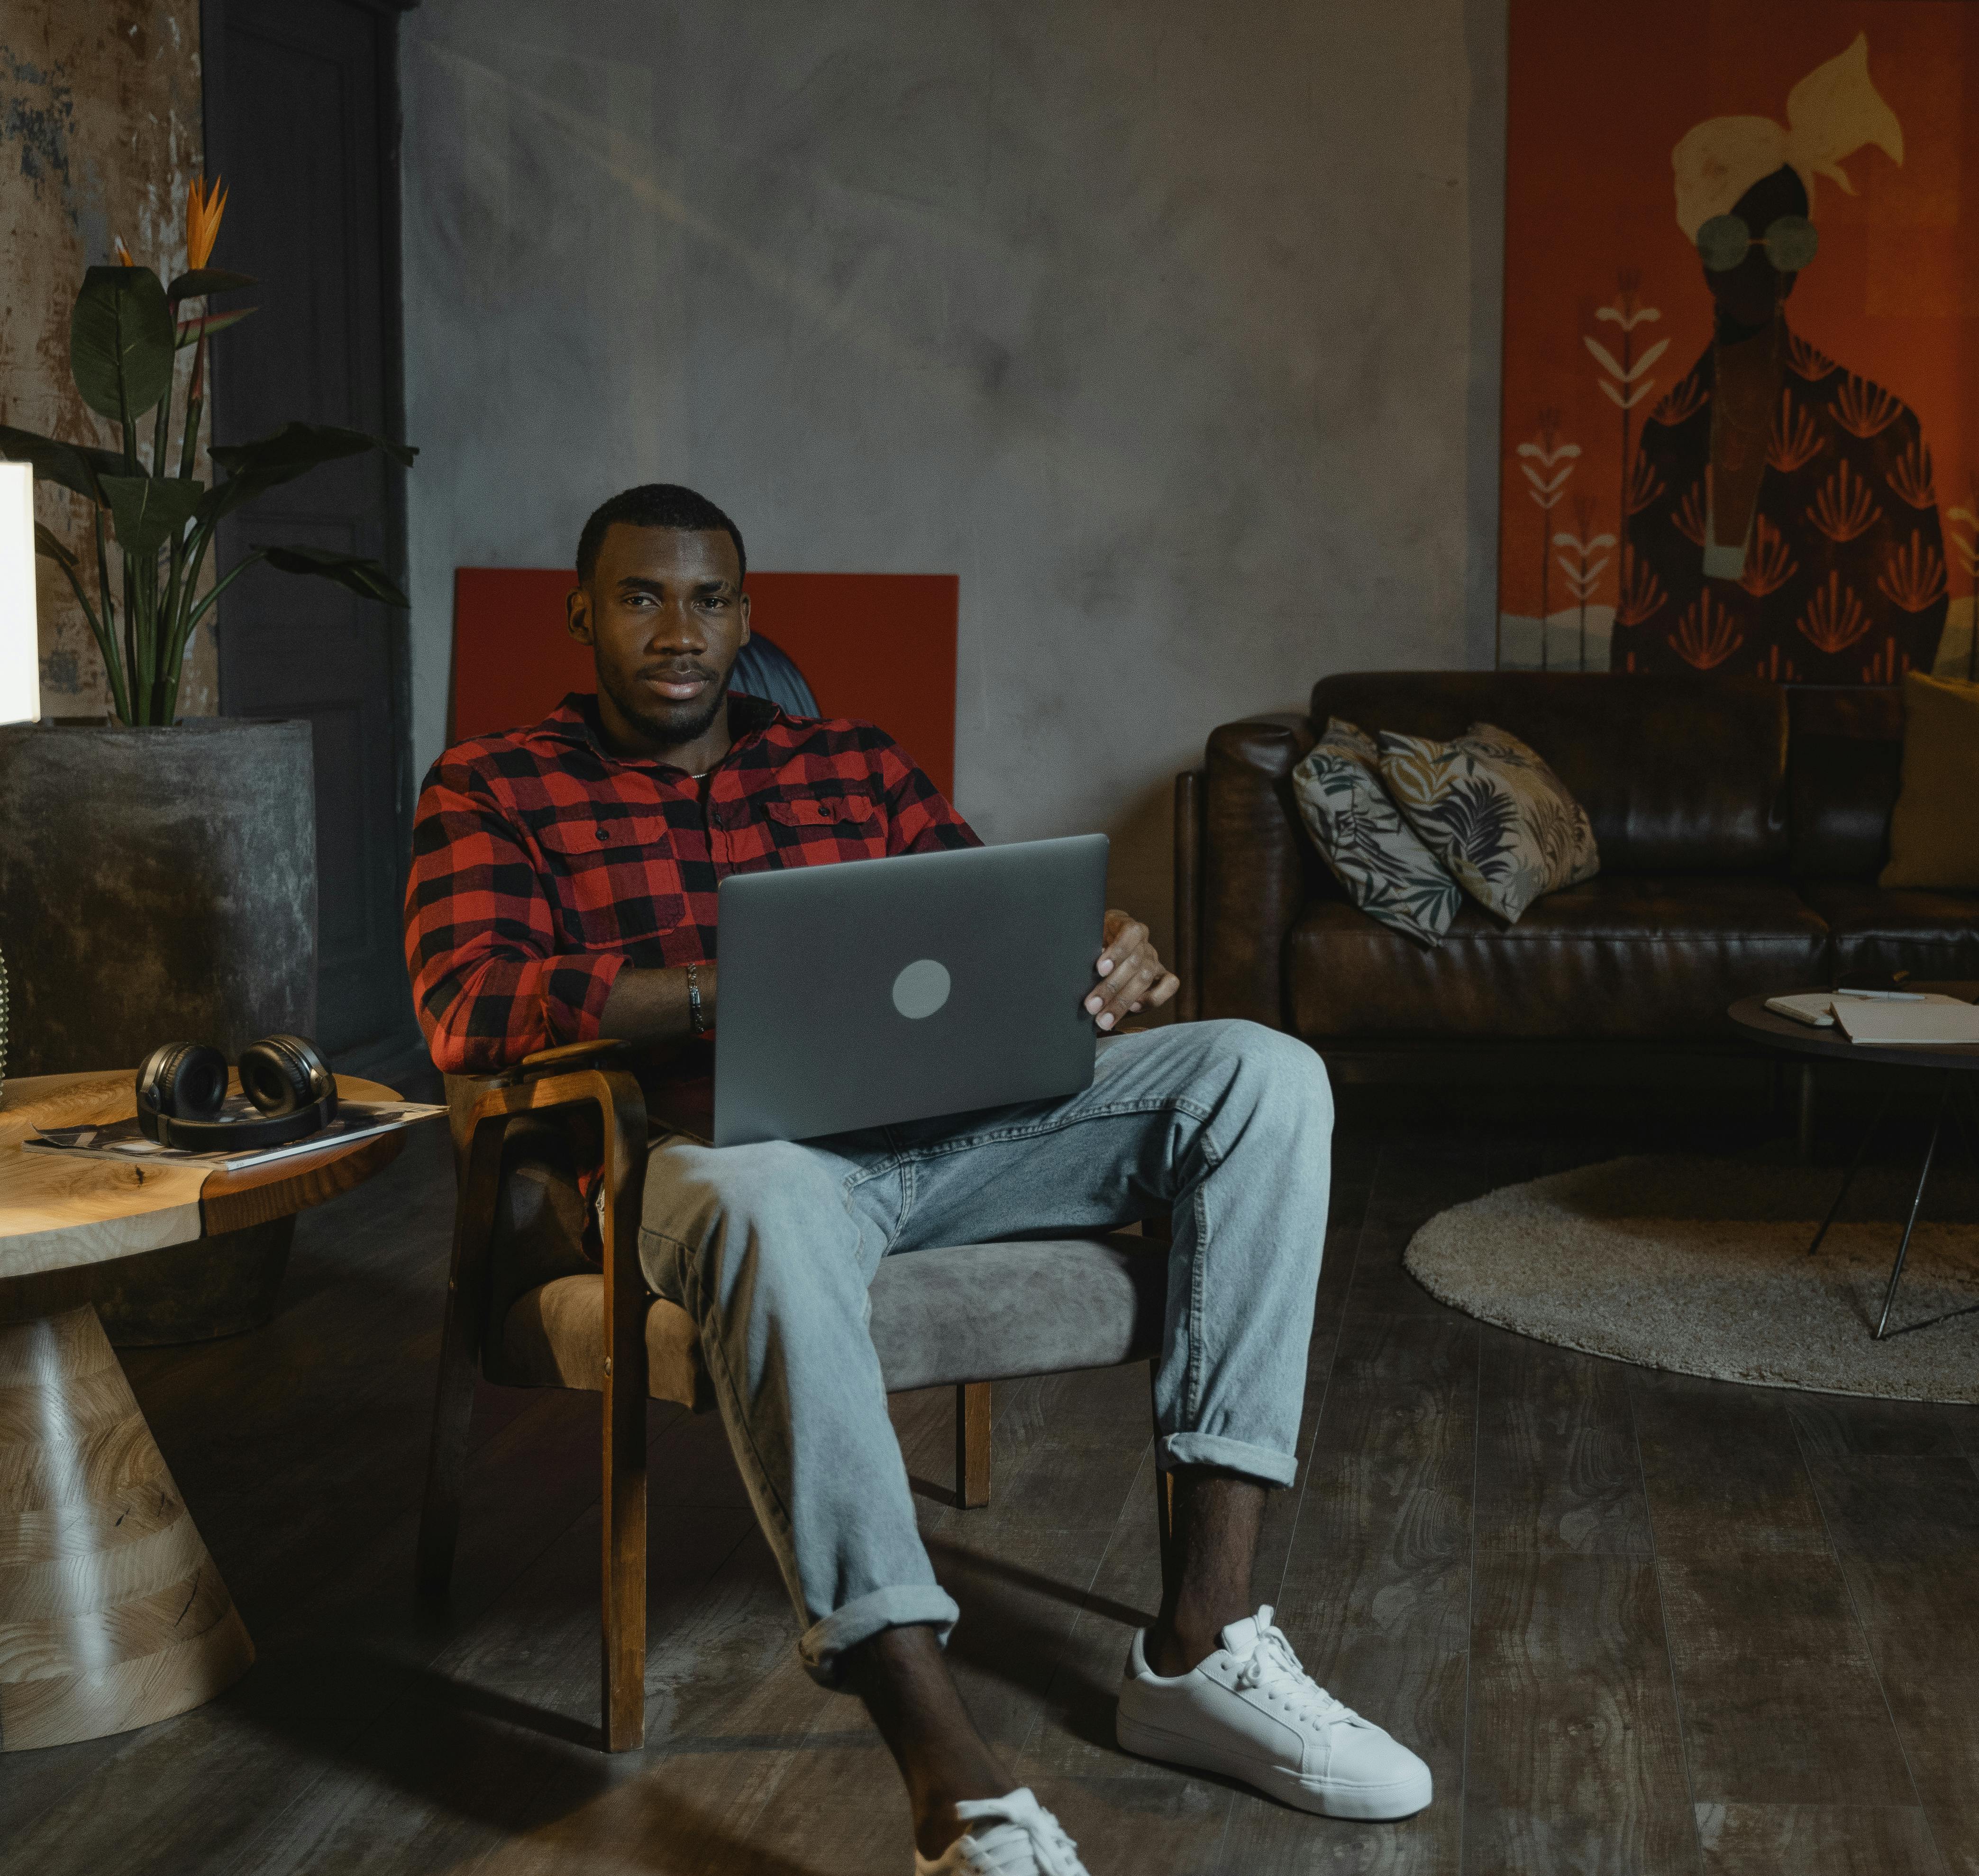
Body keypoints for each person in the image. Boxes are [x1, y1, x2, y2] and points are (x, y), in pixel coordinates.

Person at [404, 483, 1428, 1875]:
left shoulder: (851, 766)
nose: (677, 629)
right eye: (641, 596)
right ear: (581, 613)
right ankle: (951, 1775)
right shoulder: (495, 783)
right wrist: (719, 989)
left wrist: (1100, 949)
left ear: (745, 616)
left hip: (945, 1140)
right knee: (767, 1197)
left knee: (1260, 1070)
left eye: (708, 599)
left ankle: (1203, 1641)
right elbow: (472, 1002)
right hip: (729, 1161)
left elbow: (982, 926)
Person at [1614, 33, 1951, 684]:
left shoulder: (1881, 428)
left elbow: (1916, 627)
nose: (1760, 263)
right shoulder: (1669, 433)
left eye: (1787, 241)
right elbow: (1641, 629)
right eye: (1732, 239)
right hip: (1702, 751)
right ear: (1703, 255)